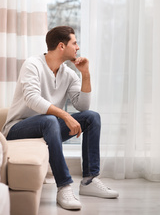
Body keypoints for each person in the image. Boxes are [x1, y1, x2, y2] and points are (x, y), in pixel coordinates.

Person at [2, 26, 119, 210]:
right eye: (74, 43)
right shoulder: (33, 64)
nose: (78, 47)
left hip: (49, 127)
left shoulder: (68, 73)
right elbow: (32, 99)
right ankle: (64, 186)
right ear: (61, 46)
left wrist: (85, 74)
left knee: (91, 117)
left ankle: (89, 180)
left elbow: (82, 106)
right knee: (50, 120)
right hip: (17, 129)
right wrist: (64, 115)